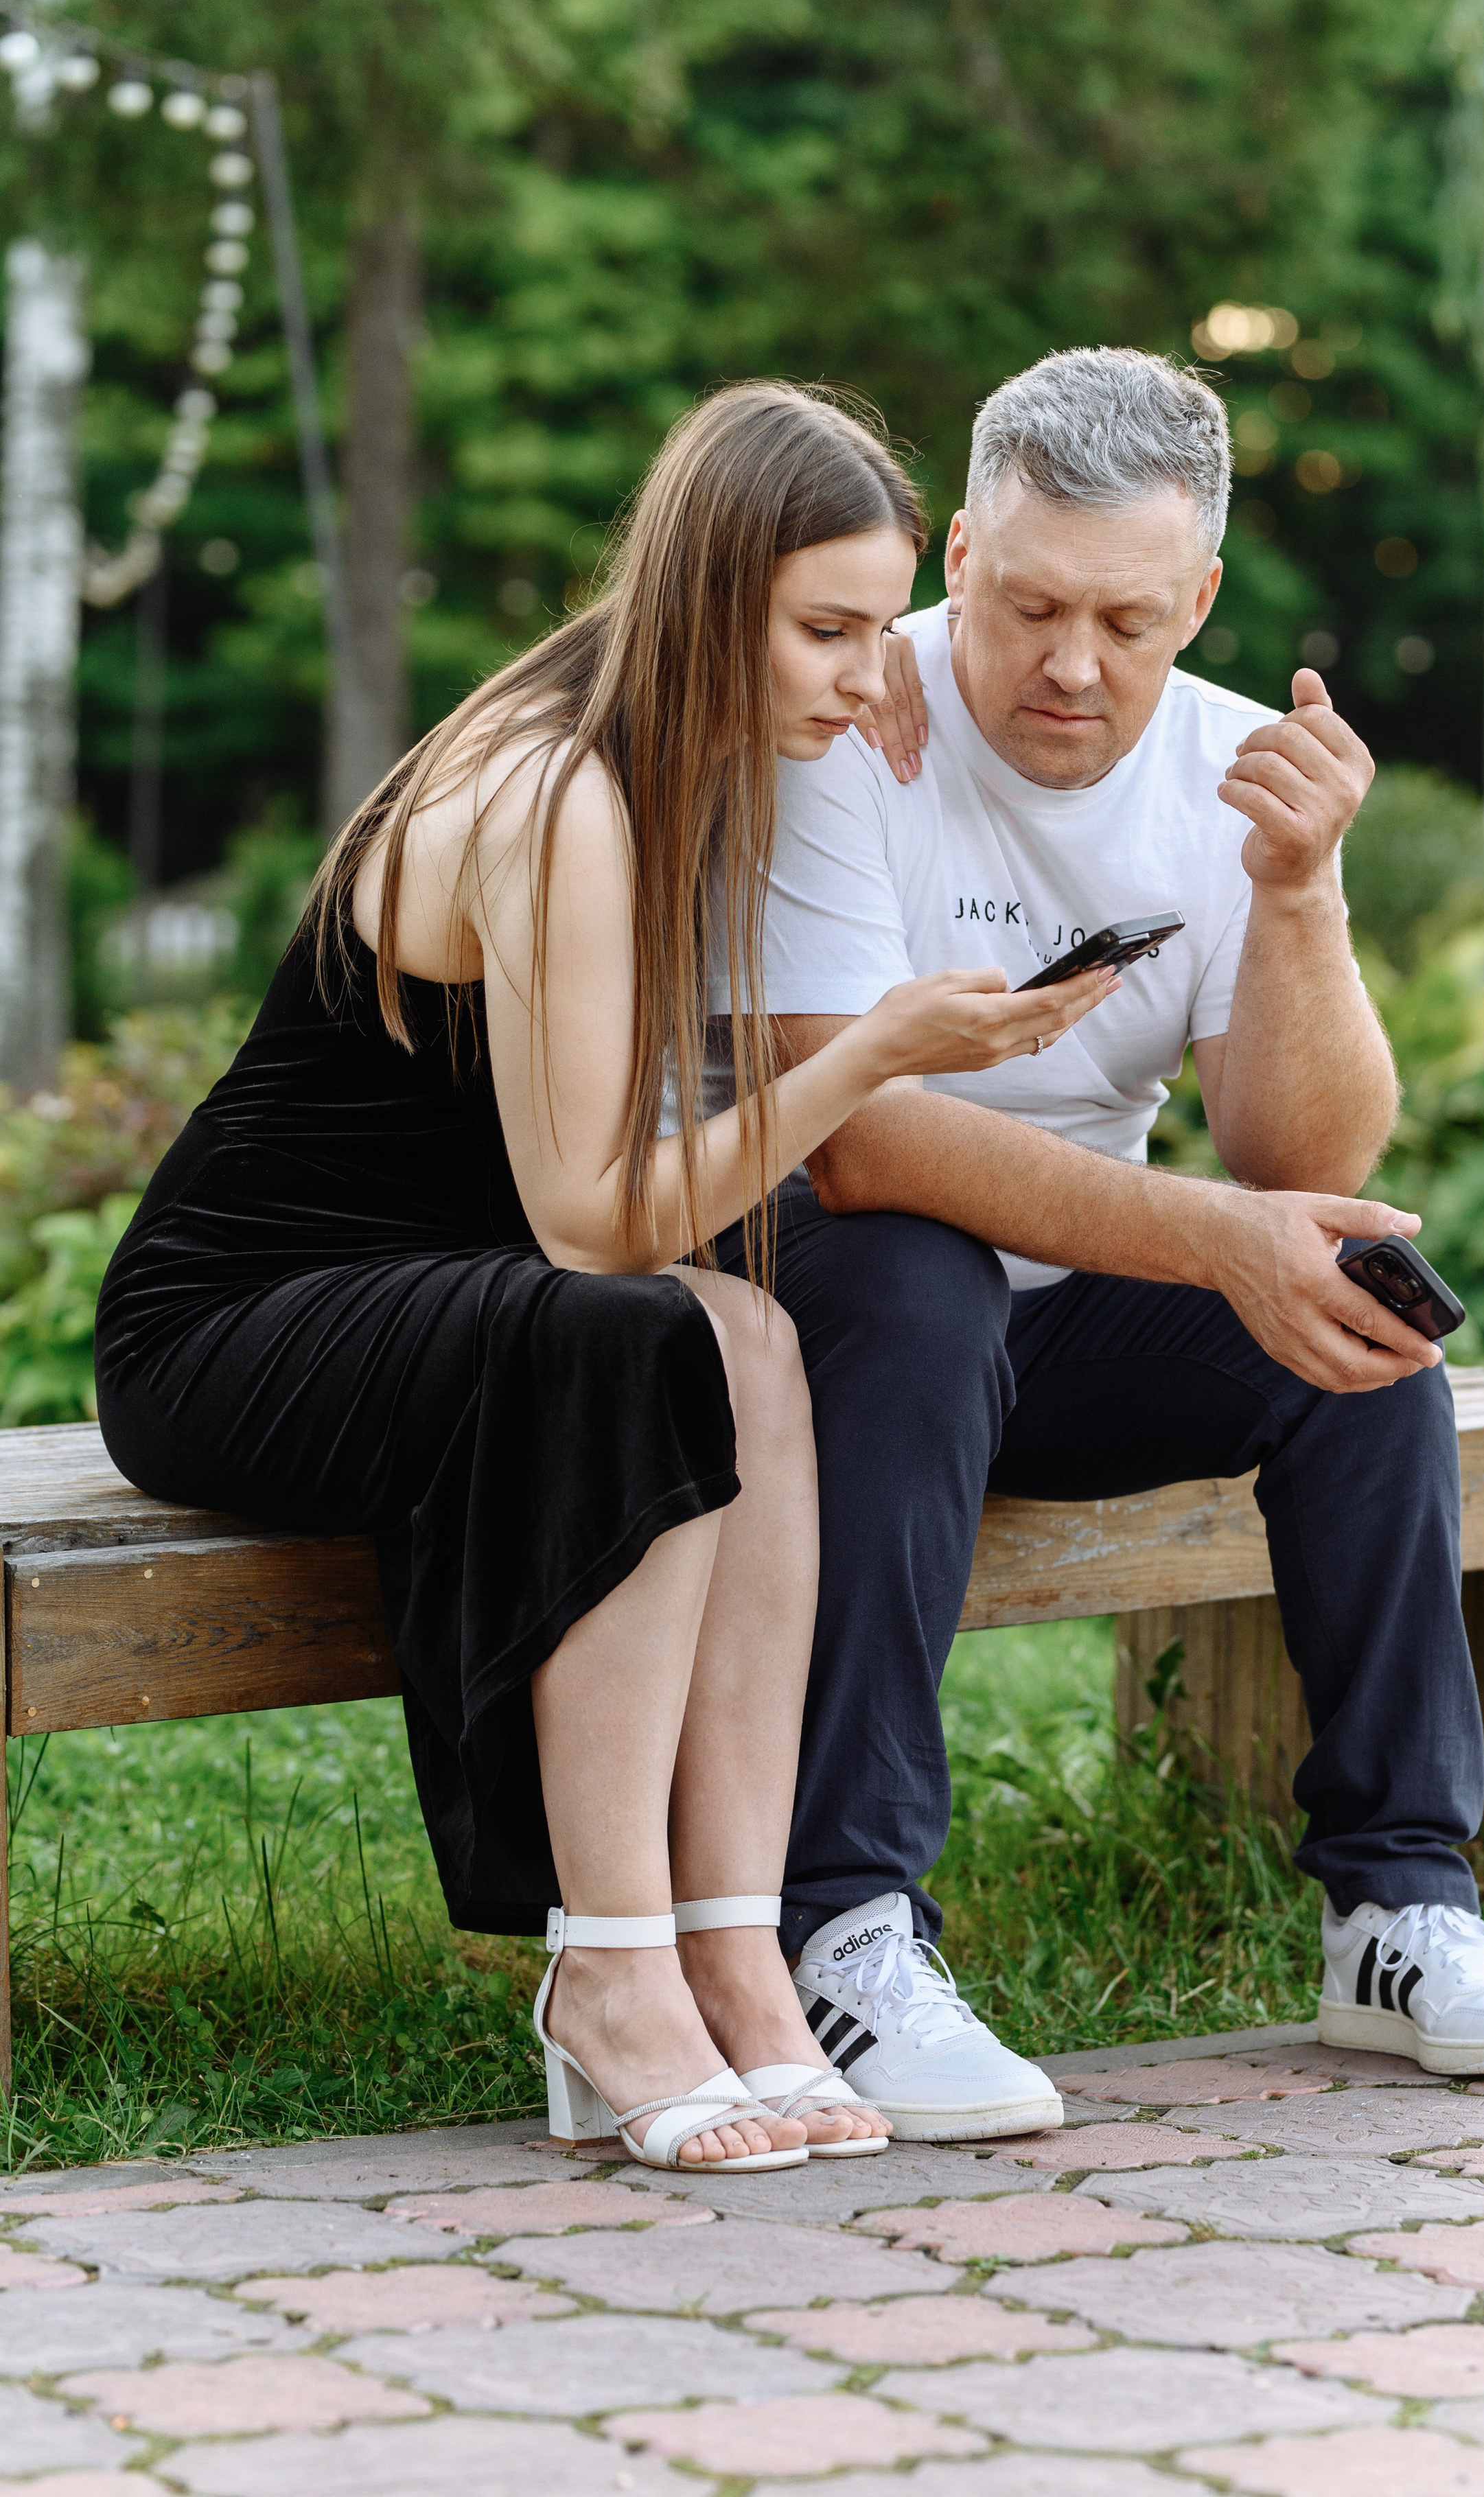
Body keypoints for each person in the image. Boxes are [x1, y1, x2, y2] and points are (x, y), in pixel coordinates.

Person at [93, 382, 1109, 2172]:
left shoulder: (691, 762)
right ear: (711, 598)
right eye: (828, 630)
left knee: (756, 1341)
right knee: (653, 1336)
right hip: (240, 1322)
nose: (875, 678)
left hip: (451, 1296)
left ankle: (738, 1946)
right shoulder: (561, 793)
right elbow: (592, 1228)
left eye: (885, 629)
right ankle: (610, 1972)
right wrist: (871, 1055)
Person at [710, 346, 1484, 2135]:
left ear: (1199, 597)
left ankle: (1401, 1907)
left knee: (1348, 1312)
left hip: (1071, 1330)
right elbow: (861, 1143)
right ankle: (847, 1928)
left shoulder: (1222, 768)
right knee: (915, 1265)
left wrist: (1296, 898)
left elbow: (1299, 1156)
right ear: (955, 554)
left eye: (1128, 619)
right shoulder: (845, 729)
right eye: (1030, 604)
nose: (1071, 665)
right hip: (813, 1317)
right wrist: (1218, 1238)